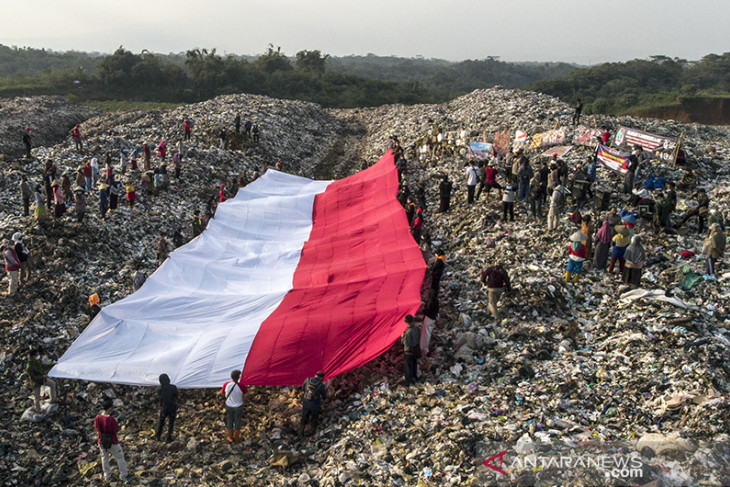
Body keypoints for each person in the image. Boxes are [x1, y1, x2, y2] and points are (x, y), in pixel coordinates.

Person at [94, 398, 129, 482]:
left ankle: (107, 476)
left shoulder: (98, 417)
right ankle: (123, 475)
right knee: (120, 457)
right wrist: (116, 421)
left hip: (101, 440)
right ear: (109, 408)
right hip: (112, 441)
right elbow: (116, 430)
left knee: (104, 458)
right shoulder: (111, 419)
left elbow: (96, 427)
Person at [221, 370, 248, 443]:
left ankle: (230, 437)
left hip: (229, 405)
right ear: (239, 377)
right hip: (239, 406)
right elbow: (246, 395)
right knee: (238, 421)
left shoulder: (226, 384)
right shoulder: (241, 385)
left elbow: (223, 394)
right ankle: (236, 437)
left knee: (229, 420)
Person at [299, 371, 327, 437]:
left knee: (304, 418)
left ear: (315, 375)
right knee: (314, 418)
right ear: (322, 377)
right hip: (315, 405)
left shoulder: (307, 380)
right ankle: (311, 433)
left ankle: (301, 433)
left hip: (306, 403)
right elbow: (324, 396)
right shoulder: (321, 385)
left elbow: (303, 389)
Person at [155, 373, 178, 443]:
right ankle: (168, 437)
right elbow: (176, 395)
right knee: (171, 423)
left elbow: (160, 397)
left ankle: (158, 436)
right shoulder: (173, 387)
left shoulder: (159, 389)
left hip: (164, 407)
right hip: (172, 407)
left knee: (161, 422)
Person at [401, 315, 421, 386]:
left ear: (406, 322)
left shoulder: (408, 332)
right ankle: (414, 377)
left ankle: (407, 382)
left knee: (408, 367)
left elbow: (407, 343)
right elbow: (419, 337)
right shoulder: (417, 328)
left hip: (409, 351)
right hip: (416, 350)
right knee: (414, 365)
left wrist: (402, 337)